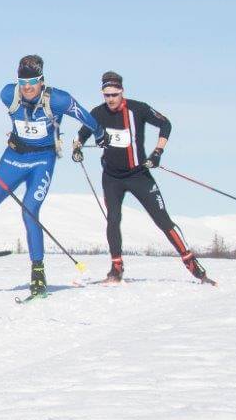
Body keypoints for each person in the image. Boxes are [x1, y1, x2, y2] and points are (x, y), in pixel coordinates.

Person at [0, 55, 104, 298]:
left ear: (42, 81)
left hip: (42, 162)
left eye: (32, 82)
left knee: (30, 210)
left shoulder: (59, 100)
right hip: (13, 159)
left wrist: (99, 134)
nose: (27, 88)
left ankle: (38, 272)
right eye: (22, 83)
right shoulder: (8, 94)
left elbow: (87, 118)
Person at [74, 71, 210, 284]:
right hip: (112, 177)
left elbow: (166, 124)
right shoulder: (97, 113)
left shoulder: (138, 108)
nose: (110, 99)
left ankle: (192, 263)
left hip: (139, 175)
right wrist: (77, 147)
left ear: (122, 92)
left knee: (162, 219)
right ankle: (116, 269)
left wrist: (157, 153)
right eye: (106, 95)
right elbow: (82, 134)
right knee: (113, 220)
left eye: (114, 94)